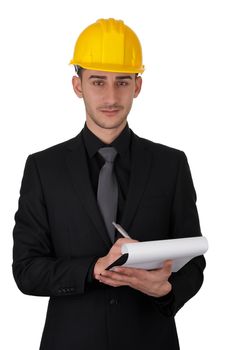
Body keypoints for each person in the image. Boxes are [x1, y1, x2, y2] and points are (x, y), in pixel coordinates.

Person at [12, 18, 206, 350]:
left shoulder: (171, 164)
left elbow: (194, 260)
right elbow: (27, 270)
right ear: (78, 86)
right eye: (98, 82)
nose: (112, 96)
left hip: (151, 341)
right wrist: (92, 269)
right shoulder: (44, 168)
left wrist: (167, 290)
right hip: (70, 342)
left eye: (123, 82)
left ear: (138, 86)